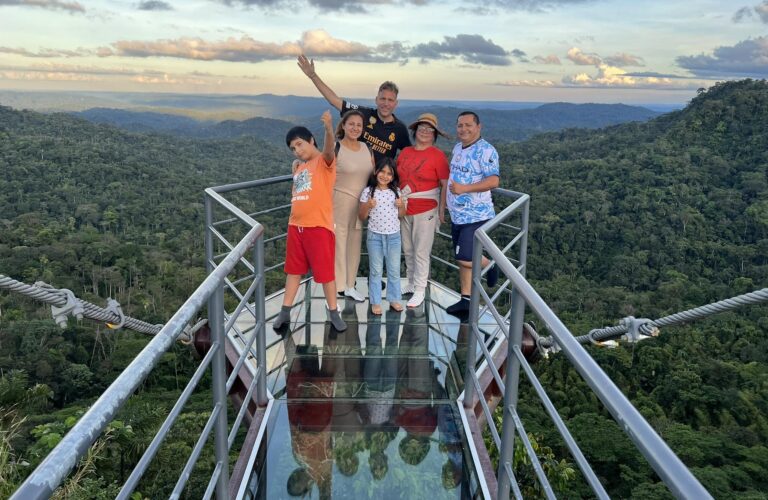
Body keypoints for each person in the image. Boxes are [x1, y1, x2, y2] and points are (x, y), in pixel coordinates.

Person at [273, 111, 347, 332]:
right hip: (296, 226)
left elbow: (329, 150)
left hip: (318, 227)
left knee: (325, 274)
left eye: (299, 144)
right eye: (293, 148)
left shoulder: (324, 162)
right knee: (293, 271)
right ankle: (285, 311)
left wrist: (328, 129)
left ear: (311, 140)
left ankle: (333, 312)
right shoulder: (300, 167)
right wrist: (298, 163)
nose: (297, 150)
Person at [297, 54, 411, 162]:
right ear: (376, 100)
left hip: (380, 176)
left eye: (390, 100)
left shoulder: (400, 129)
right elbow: (334, 100)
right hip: (353, 172)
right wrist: (313, 75)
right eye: (383, 99)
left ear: (396, 103)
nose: (386, 103)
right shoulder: (363, 114)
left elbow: (411, 155)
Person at [446, 111, 500, 316]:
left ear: (478, 127)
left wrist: (464, 189)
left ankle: (490, 264)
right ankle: (466, 300)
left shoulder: (486, 150)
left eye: (468, 125)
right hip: (457, 215)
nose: (463, 129)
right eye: (460, 125)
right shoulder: (457, 148)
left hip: (476, 215)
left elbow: (494, 181)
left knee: (464, 257)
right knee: (462, 259)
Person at [396, 112, 450, 308]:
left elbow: (445, 184)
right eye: (422, 128)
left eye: (429, 129)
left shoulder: (438, 156)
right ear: (415, 130)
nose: (425, 131)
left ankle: (420, 288)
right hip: (404, 207)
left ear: (434, 134)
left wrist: (442, 210)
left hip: (426, 208)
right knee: (408, 248)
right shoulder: (405, 152)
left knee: (421, 250)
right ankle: (411, 282)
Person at [333, 110, 375, 302]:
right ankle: (338, 287)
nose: (355, 128)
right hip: (339, 201)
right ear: (343, 125)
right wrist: (297, 163)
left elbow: (374, 174)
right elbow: (320, 167)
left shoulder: (367, 148)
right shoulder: (336, 147)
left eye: (359, 125)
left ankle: (350, 285)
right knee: (338, 243)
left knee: (354, 244)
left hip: (361, 204)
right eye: (351, 124)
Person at [359, 158, 406, 315]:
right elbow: (361, 216)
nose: (385, 176)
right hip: (375, 237)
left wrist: (401, 206)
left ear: (393, 177)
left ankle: (394, 299)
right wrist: (368, 205)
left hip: (394, 236)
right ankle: (376, 301)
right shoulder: (368, 191)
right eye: (382, 172)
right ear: (376, 172)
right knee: (376, 271)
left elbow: (401, 215)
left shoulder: (396, 192)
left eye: (389, 174)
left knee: (394, 270)